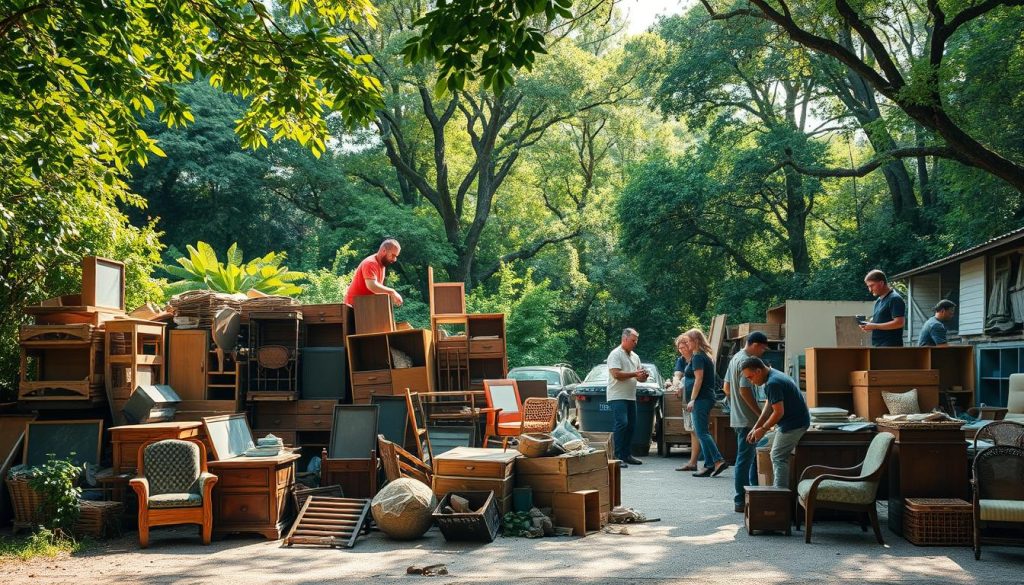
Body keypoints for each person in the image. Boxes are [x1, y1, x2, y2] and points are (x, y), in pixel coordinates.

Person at [742, 358, 810, 489]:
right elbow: (769, 407)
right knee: (763, 446)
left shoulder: (773, 383)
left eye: (750, 377)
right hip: (791, 422)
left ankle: (779, 495)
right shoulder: (773, 375)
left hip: (794, 424)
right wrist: (756, 427)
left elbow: (778, 413)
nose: (751, 381)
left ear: (758, 371)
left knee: (777, 456)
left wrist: (763, 429)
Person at [723, 331, 768, 512]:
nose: (763, 352)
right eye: (763, 348)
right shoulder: (746, 362)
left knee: (749, 459)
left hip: (738, 416)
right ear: (755, 344)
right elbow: (744, 390)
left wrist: (737, 406)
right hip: (747, 419)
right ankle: (740, 499)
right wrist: (759, 414)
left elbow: (726, 388)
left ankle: (752, 493)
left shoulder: (735, 358)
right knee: (744, 459)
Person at [682, 328, 729, 478]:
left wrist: (693, 399)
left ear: (696, 341)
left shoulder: (698, 357)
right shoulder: (704, 356)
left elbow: (699, 379)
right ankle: (709, 465)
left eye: (689, 341)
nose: (687, 344)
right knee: (702, 431)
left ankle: (718, 460)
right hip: (705, 398)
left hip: (701, 399)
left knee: (702, 432)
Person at [607, 328, 649, 468]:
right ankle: (617, 456)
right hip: (617, 395)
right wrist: (635, 374)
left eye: (636, 340)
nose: (635, 343)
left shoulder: (635, 356)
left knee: (631, 426)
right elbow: (616, 374)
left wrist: (643, 376)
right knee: (622, 424)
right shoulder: (615, 354)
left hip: (630, 396)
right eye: (633, 340)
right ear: (624, 339)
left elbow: (638, 377)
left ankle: (626, 455)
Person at [666, 334, 701, 472]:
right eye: (679, 348)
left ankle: (705, 461)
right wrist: (677, 384)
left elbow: (698, 379)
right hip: (688, 397)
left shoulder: (697, 358)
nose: (681, 350)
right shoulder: (681, 360)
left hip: (696, 398)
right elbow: (677, 375)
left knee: (698, 431)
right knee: (692, 430)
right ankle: (694, 462)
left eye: (683, 346)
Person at [343, 239, 404, 307]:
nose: (394, 259)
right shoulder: (371, 263)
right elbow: (372, 286)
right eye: (393, 255)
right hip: (353, 307)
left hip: (364, 306)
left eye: (396, 256)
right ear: (384, 250)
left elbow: (376, 291)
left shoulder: (381, 265)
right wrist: (392, 292)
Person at [860, 269, 905, 347]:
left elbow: (899, 323)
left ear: (881, 283)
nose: (870, 290)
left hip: (891, 347)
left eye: (872, 285)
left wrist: (874, 326)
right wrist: (868, 325)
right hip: (879, 345)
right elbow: (879, 322)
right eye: (868, 286)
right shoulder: (879, 300)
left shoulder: (894, 298)